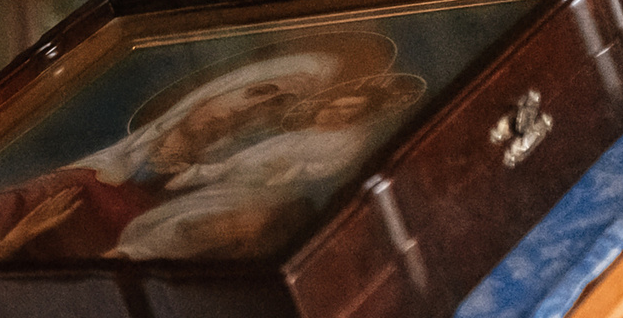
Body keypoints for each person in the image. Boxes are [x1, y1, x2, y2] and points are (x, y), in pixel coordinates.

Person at [0, 34, 395, 266]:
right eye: (256, 93)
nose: (244, 115)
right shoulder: (72, 185)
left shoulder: (203, 216)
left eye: (268, 115)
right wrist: (14, 240)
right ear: (211, 92)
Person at [111, 71, 426, 262]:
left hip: (263, 197)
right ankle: (126, 255)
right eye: (338, 104)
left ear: (360, 116)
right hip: (232, 188)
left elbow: (324, 171)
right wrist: (196, 173)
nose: (337, 112)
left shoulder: (350, 140)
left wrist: (286, 172)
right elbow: (239, 162)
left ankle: (129, 257)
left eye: (349, 110)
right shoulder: (296, 130)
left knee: (186, 228)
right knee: (165, 221)